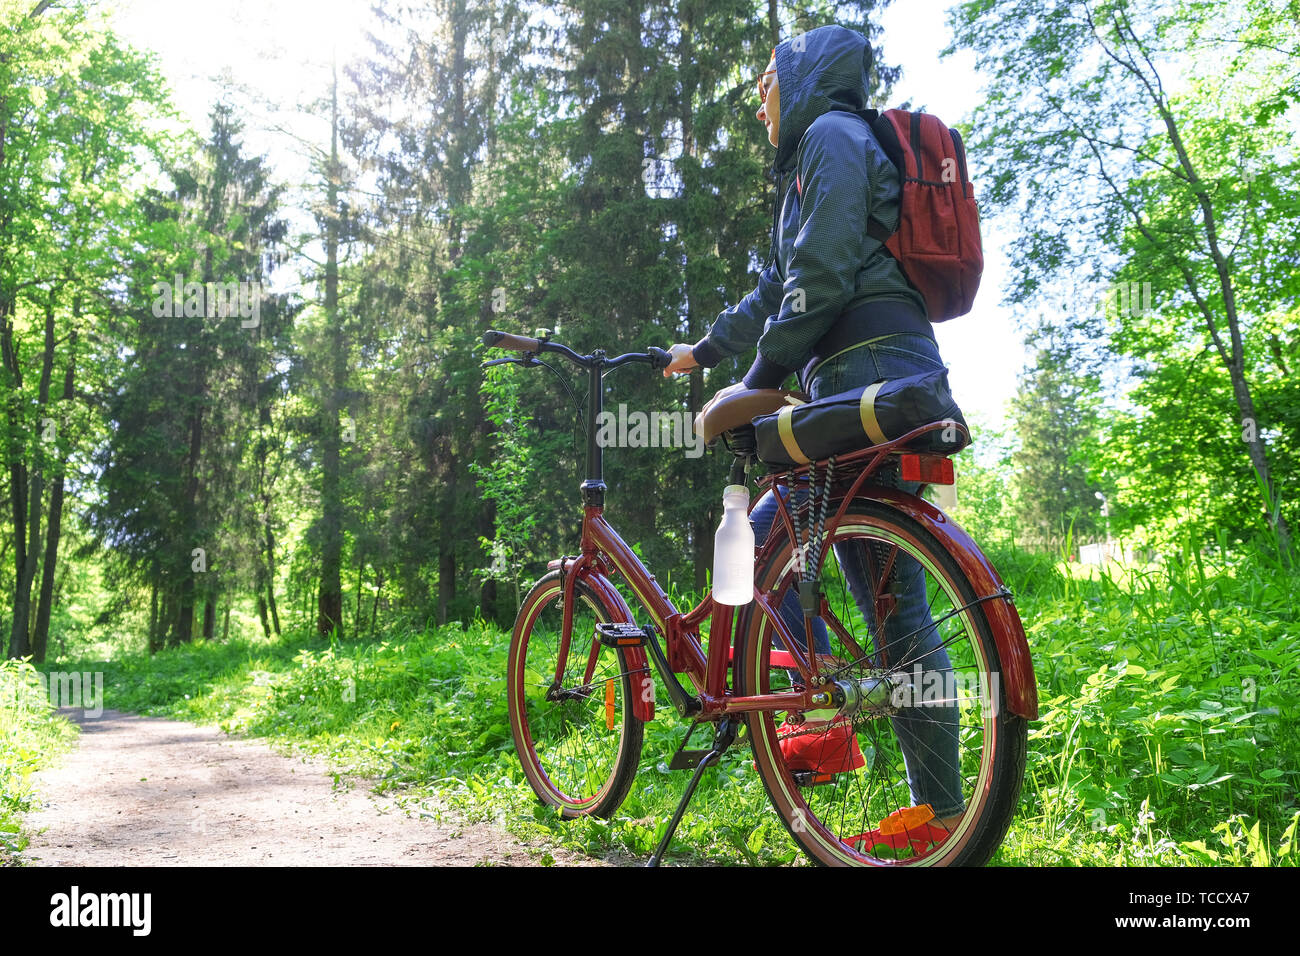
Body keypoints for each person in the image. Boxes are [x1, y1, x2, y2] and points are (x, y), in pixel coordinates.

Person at [663, 24, 964, 840]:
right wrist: (706, 351)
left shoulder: (832, 137)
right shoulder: (806, 164)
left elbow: (822, 274)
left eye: (765, 79)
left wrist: (759, 380)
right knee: (768, 542)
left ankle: (936, 814)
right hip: (847, 371)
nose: (758, 98)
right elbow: (776, 285)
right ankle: (815, 723)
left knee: (891, 601)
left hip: (872, 363)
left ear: (797, 77)